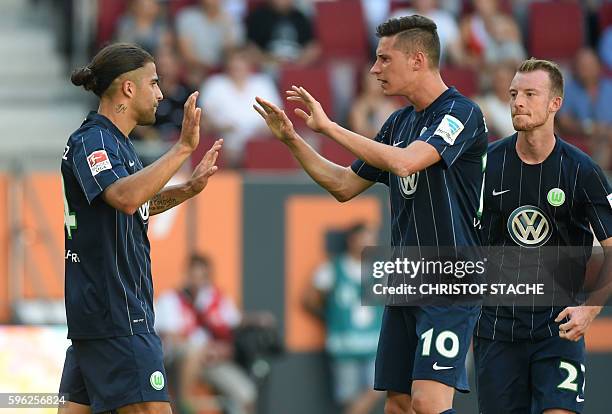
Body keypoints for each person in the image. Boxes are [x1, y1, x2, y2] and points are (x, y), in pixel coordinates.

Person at [255, 15, 488, 414]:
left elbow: (405, 164)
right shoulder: (399, 122)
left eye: (383, 59)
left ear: (417, 60)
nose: (374, 69)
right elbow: (344, 185)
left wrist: (330, 128)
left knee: (428, 402)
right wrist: (294, 140)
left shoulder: (460, 113)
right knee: (396, 404)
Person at [58, 43, 223, 414]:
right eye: (153, 82)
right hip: (118, 314)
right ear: (128, 89)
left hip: (101, 317)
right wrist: (182, 149)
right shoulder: (93, 140)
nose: (161, 93)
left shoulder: (118, 145)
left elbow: (137, 205)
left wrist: (187, 189)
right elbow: (124, 197)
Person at [474, 58, 612, 414]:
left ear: (555, 103)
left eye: (530, 94)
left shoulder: (582, 171)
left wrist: (590, 310)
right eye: (514, 93)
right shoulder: (488, 166)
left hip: (558, 329)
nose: (518, 101)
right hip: (496, 330)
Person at [155, 254, 256, 414]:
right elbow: (168, 336)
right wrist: (202, 349)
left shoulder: (217, 299)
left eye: (202, 276)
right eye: (193, 275)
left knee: (246, 394)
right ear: (186, 274)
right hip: (179, 361)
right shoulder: (170, 300)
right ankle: (184, 405)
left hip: (211, 361)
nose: (197, 281)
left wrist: (220, 350)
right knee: (192, 350)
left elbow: (232, 328)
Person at [303, 223, 383, 414]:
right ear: (351, 240)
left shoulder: (380, 268)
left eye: (371, 238)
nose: (367, 243)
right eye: (363, 238)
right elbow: (310, 299)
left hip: (373, 344)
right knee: (348, 396)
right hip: (344, 344)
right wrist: (330, 314)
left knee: (376, 388)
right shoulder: (332, 267)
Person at [199, 47, 282, 167]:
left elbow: (278, 115)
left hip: (260, 143)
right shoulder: (214, 84)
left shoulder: (263, 83)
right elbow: (204, 120)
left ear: (249, 64)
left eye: (241, 61)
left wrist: (266, 130)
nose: (237, 65)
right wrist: (220, 128)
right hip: (224, 145)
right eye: (233, 61)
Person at [557, 48, 612, 169]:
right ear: (575, 68)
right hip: (585, 135)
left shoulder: (609, 87)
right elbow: (563, 121)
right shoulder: (569, 89)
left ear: (599, 66)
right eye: (582, 65)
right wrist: (589, 128)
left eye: (590, 65)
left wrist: (605, 131)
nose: (586, 70)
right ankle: (597, 181)